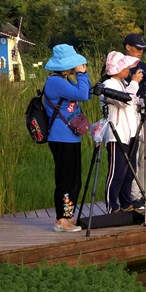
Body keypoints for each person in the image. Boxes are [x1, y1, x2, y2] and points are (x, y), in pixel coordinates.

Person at [42, 44, 92, 232]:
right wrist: (82, 74)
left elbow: (83, 92)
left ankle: (68, 217)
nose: (77, 66)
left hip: (71, 137)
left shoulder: (65, 80)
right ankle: (61, 220)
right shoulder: (55, 82)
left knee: (74, 179)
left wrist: (81, 76)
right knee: (65, 179)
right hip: (61, 137)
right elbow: (83, 95)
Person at [122, 34, 146, 209]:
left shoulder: (144, 66)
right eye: (138, 48)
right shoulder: (120, 66)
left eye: (143, 49)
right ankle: (131, 196)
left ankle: (141, 193)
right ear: (128, 47)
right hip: (131, 115)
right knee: (135, 154)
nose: (140, 52)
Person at [100, 51, 142, 213]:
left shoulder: (124, 83)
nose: (128, 70)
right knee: (116, 172)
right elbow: (125, 101)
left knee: (130, 171)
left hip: (132, 133)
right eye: (125, 66)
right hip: (117, 134)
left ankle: (125, 203)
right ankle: (112, 206)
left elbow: (134, 102)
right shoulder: (108, 85)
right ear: (116, 69)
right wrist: (135, 83)